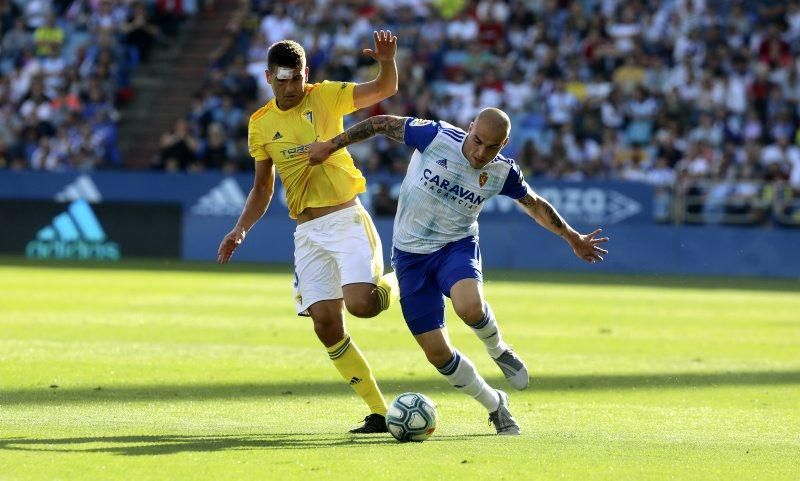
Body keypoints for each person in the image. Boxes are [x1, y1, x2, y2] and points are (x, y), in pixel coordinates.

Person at [308, 108, 609, 435]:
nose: (481, 153)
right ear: (469, 128)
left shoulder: (502, 172)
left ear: (504, 144)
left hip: (456, 246)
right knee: (437, 353)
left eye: (491, 147)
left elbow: (534, 203)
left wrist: (572, 238)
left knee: (469, 306)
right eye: (477, 141)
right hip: (410, 258)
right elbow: (380, 123)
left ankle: (499, 350)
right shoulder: (435, 137)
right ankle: (495, 404)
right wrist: (333, 144)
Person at [217, 32, 401, 434]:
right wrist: (240, 228)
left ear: (306, 74)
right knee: (325, 325)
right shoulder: (261, 124)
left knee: (363, 305)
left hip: (346, 219)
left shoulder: (327, 96)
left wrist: (386, 61)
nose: (290, 87)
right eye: (282, 80)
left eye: (296, 78)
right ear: (268, 77)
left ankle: (402, 275)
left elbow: (386, 88)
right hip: (307, 232)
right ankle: (379, 412)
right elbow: (263, 187)